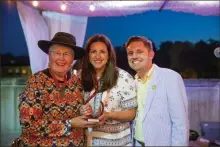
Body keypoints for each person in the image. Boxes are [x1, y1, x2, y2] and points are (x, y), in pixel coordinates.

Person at [18, 32, 98, 146]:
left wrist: (82, 110)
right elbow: (28, 124)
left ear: (73, 59)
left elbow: (73, 111)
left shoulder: (76, 81)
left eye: (66, 54)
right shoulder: (36, 82)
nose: (61, 58)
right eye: (57, 53)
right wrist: (69, 124)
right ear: (49, 56)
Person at [125, 36, 189, 146]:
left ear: (151, 54)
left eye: (139, 52)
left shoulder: (170, 78)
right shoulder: (132, 83)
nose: (134, 56)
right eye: (130, 53)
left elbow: (180, 123)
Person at [80, 34, 137, 146]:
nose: (98, 56)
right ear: (88, 55)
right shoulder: (81, 77)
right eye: (93, 52)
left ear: (109, 54)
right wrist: (82, 110)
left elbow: (131, 114)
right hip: (88, 142)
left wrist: (109, 115)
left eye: (102, 52)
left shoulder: (123, 77)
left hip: (117, 142)